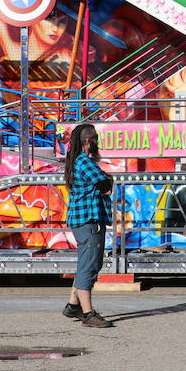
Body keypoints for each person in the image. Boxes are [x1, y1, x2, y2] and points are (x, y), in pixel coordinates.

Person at [62, 124, 115, 329]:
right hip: (88, 220)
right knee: (90, 265)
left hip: (83, 220)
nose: (97, 142)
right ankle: (88, 313)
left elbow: (103, 182)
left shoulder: (77, 160)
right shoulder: (84, 161)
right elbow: (104, 182)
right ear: (88, 141)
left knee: (87, 262)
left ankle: (72, 305)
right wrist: (107, 181)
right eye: (95, 139)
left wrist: (105, 182)